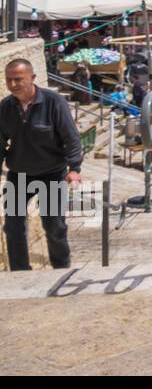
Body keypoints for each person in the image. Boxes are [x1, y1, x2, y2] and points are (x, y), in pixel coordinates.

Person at [0, 58, 83, 270]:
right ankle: (20, 271)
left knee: (54, 225)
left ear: (32, 78)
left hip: (52, 173)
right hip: (19, 174)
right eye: (9, 80)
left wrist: (74, 168)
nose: (13, 84)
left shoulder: (54, 102)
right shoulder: (5, 108)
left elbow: (71, 137)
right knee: (13, 225)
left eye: (18, 79)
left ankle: (61, 268)